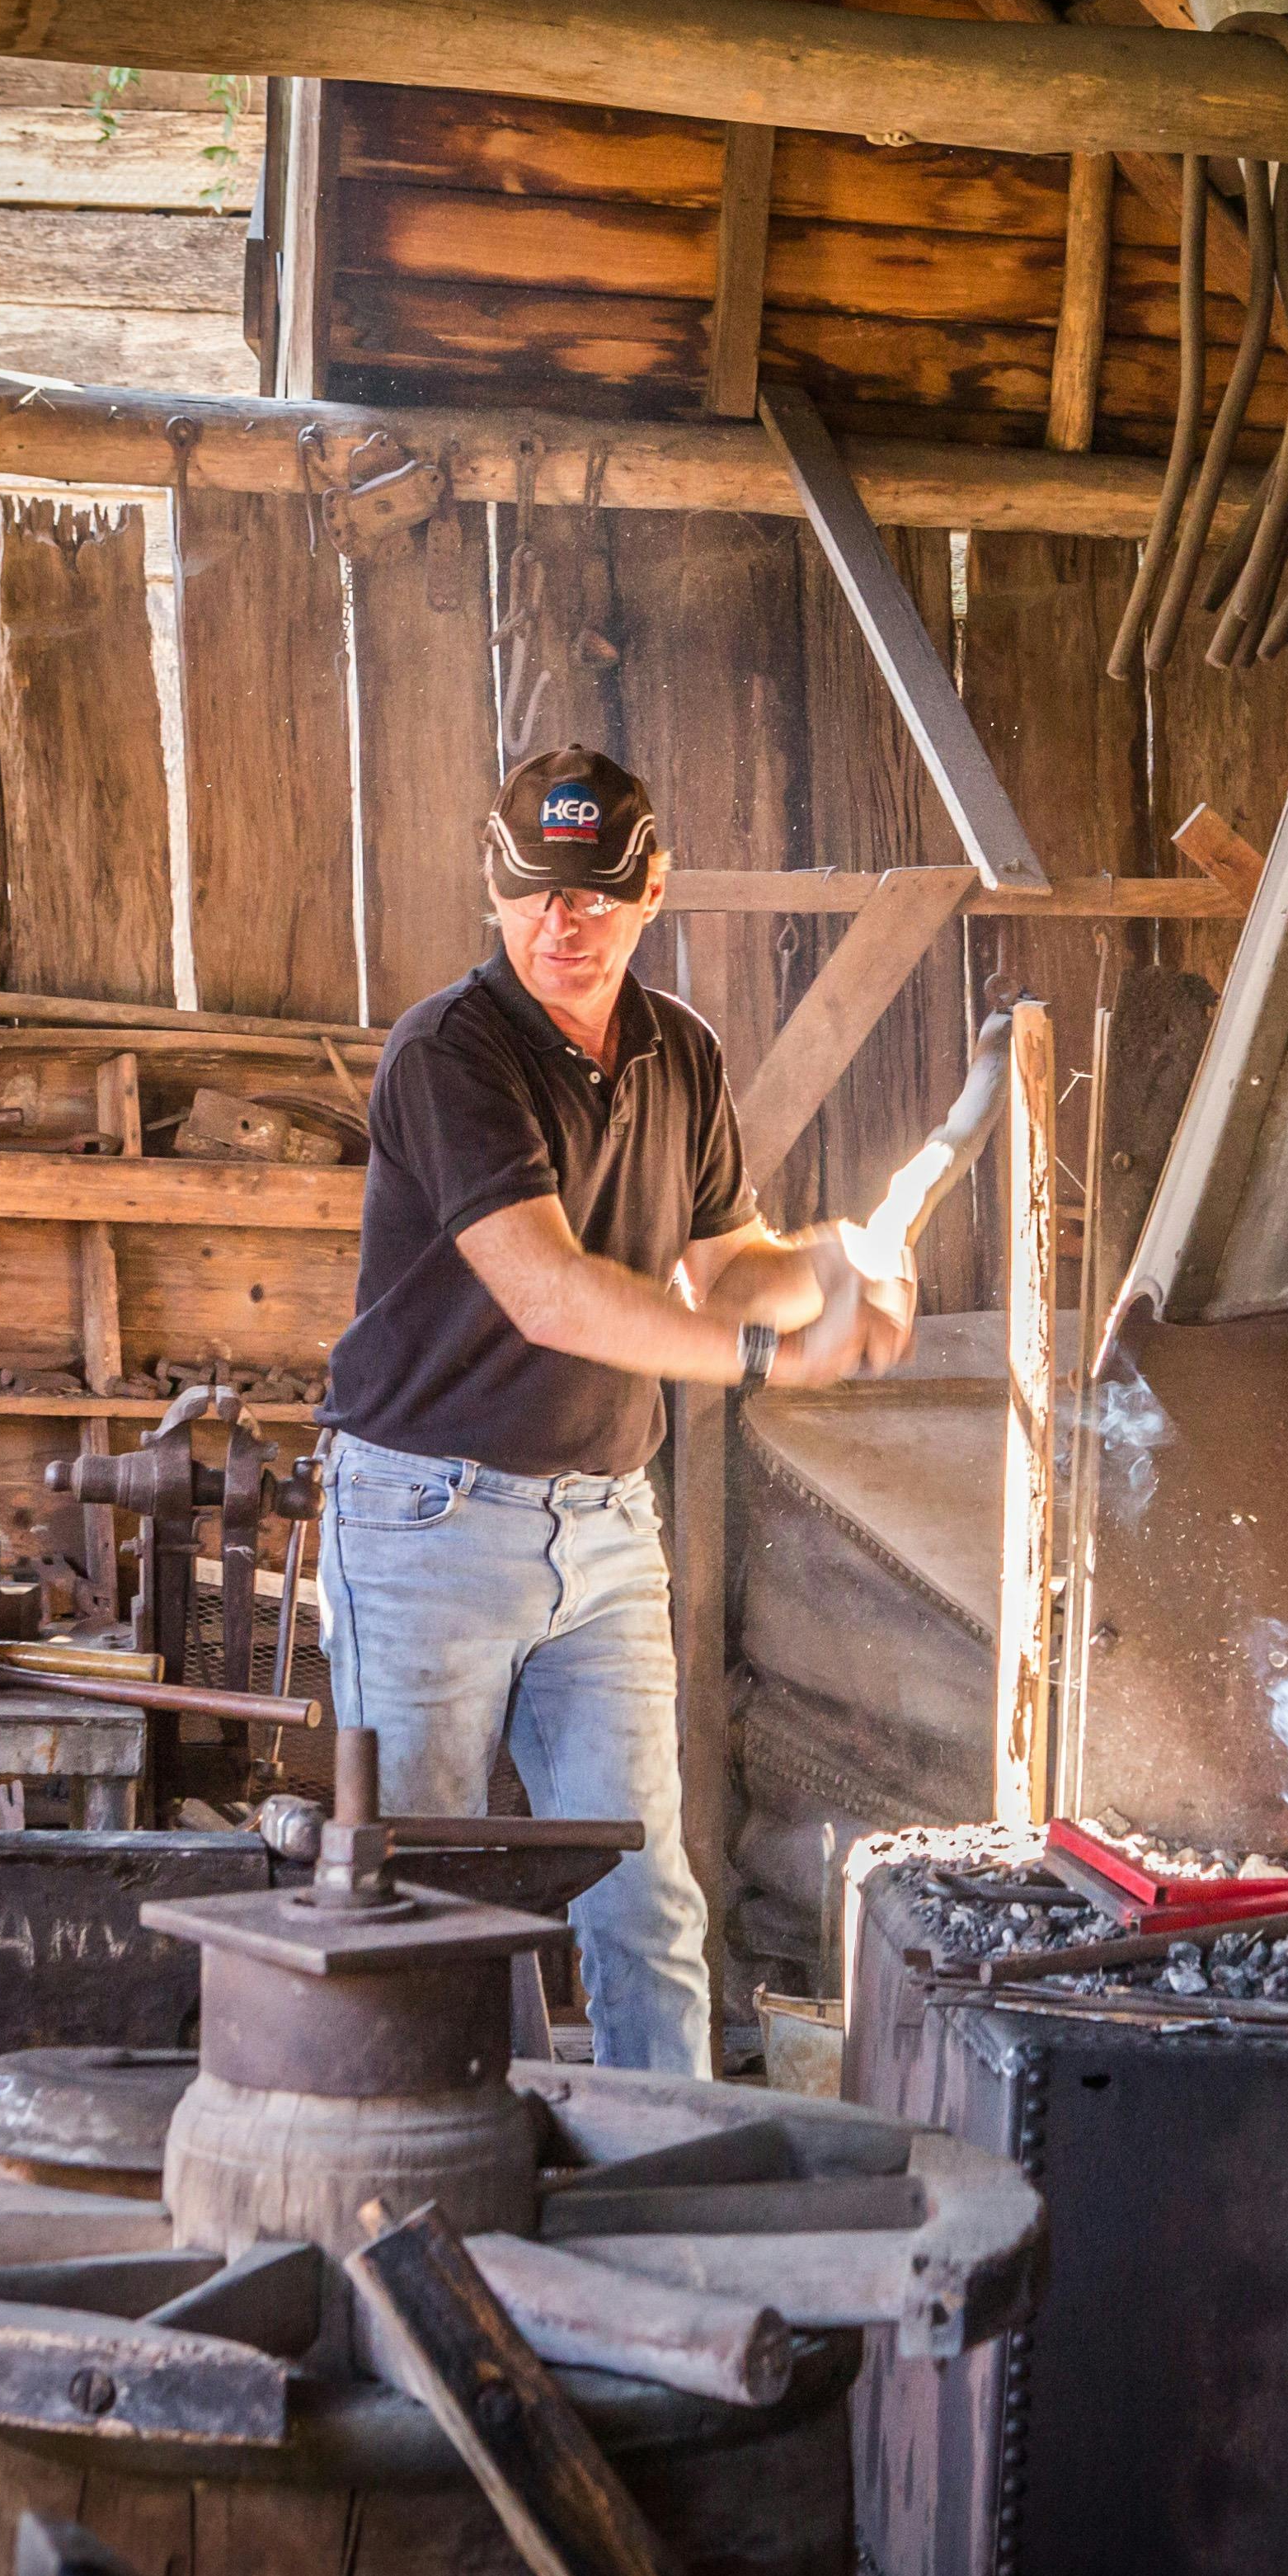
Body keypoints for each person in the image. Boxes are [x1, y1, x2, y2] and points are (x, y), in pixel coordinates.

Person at [315, 746, 915, 2078]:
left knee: (645, 1894)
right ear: (494, 886)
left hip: (601, 1528)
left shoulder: (680, 1053)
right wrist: (764, 1363)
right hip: (426, 1516)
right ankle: (443, 2176)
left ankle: (672, 2175)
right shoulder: (448, 1053)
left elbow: (723, 1258)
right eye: (534, 892)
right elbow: (553, 1295)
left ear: (653, 890)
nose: (561, 925)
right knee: (423, 1896)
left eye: (592, 894)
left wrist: (827, 1259)